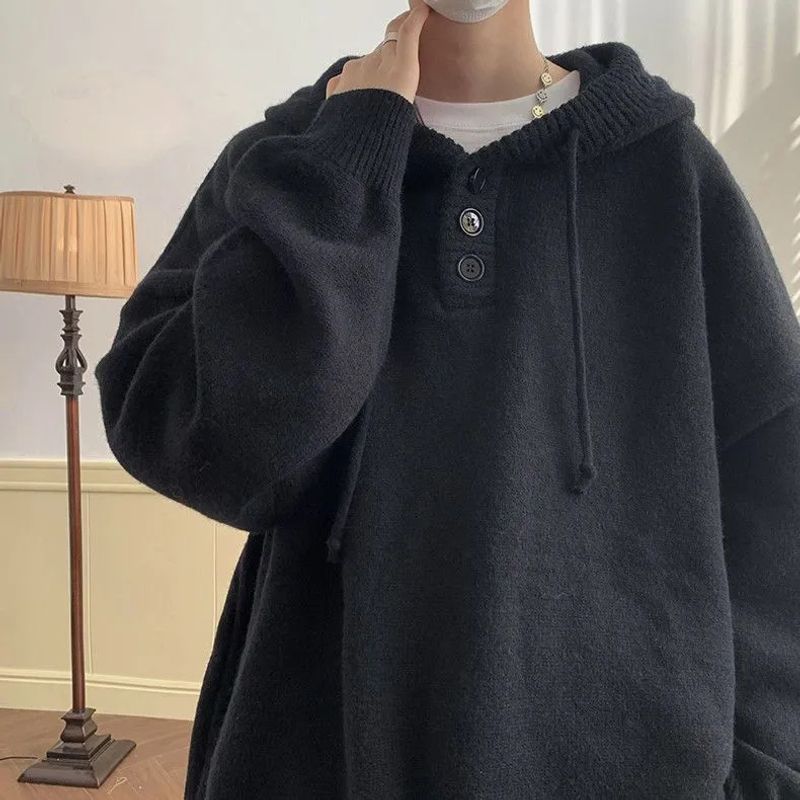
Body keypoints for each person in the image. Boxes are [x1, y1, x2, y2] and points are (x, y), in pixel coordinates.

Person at [93, 0, 800, 797]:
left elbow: (777, 478)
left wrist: (767, 759)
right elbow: (197, 443)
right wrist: (347, 159)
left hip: (630, 760)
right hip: (320, 747)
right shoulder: (289, 158)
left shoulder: (668, 170)